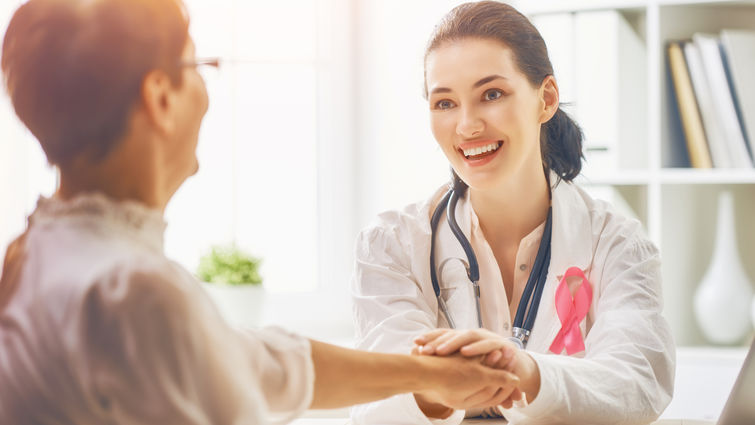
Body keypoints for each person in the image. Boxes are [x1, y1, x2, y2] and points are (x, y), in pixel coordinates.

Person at [0, 0, 522, 424]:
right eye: (197, 66)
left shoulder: (37, 253)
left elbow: (254, 362)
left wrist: (428, 374)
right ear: (160, 97)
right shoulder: (136, 293)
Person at [350, 2, 675, 424]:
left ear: (547, 99)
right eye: (445, 103)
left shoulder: (617, 244)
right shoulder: (391, 244)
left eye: (492, 94)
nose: (467, 126)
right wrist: (435, 386)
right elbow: (376, 404)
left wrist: (529, 374)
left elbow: (638, 383)